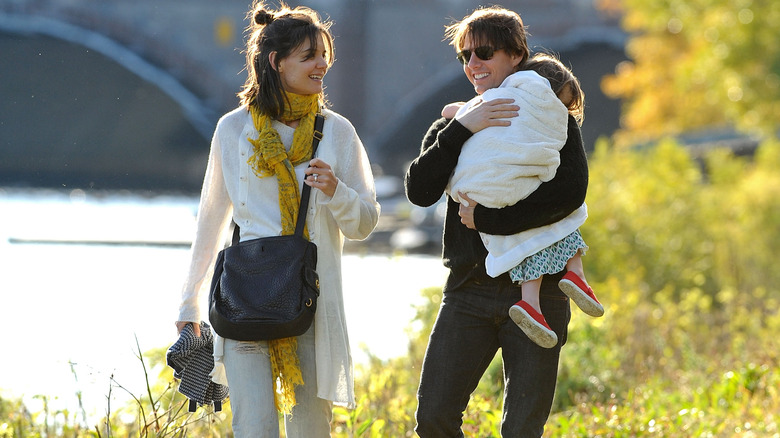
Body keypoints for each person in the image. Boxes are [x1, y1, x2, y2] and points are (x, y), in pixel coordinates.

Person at [175, 2, 380, 437]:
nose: (322, 64)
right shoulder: (233, 130)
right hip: (244, 299)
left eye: (325, 55)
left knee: (311, 428)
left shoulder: (337, 132)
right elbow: (210, 219)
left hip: (312, 302)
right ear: (276, 62)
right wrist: (189, 301)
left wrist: (335, 190)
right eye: (309, 56)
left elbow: (364, 224)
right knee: (254, 427)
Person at [405, 6, 588, 436]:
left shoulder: (551, 120)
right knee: (433, 418)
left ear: (516, 55)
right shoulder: (454, 121)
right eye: (464, 56)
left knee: (522, 429)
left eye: (483, 53)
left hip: (538, 291)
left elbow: (568, 194)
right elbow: (419, 190)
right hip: (468, 289)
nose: (473, 65)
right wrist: (462, 127)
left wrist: (487, 218)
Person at [442, 53, 604, 349]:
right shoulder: (502, 106)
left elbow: (451, 110)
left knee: (534, 238)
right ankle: (575, 273)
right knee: (559, 222)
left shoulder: (492, 107)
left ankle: (531, 302)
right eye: (558, 104)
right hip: (507, 206)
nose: (559, 112)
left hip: (491, 200)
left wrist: (461, 114)